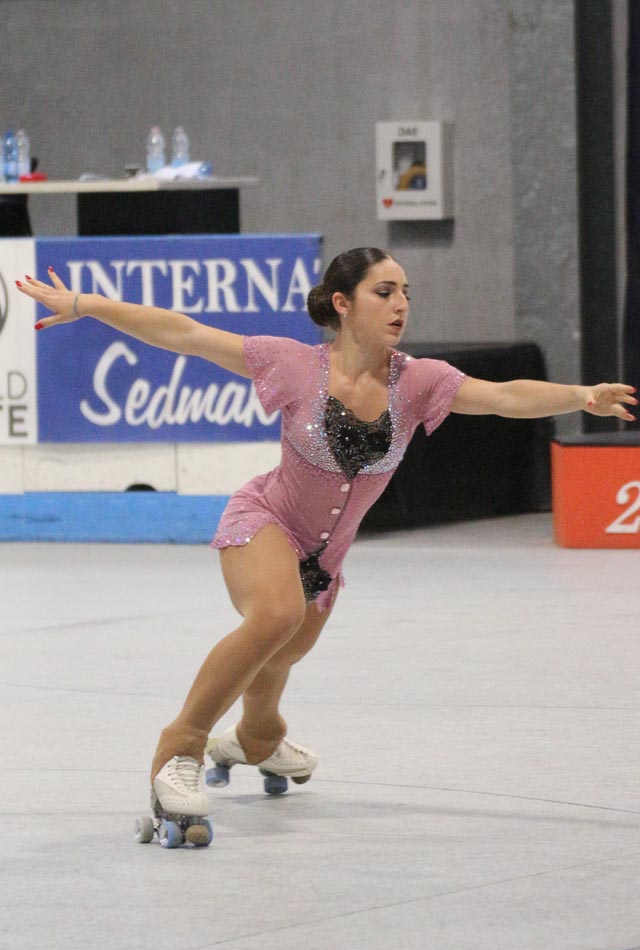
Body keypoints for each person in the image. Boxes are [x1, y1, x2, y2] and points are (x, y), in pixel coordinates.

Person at [16, 247, 638, 831]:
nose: (400, 304)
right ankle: (177, 751)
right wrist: (85, 305)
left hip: (325, 560)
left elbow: (502, 396)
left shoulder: (418, 381)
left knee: (278, 657)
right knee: (275, 616)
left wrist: (581, 395)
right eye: (384, 292)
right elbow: (184, 333)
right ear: (342, 303)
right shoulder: (292, 364)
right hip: (265, 521)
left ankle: (256, 739)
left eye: (406, 293)